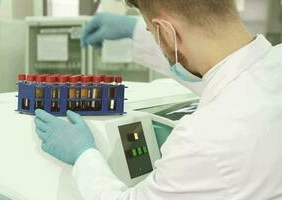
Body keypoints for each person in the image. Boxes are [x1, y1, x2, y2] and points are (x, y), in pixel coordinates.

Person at [34, 0, 282, 199]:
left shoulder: (204, 141)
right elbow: (222, 77)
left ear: (166, 32)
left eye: (152, 33)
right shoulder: (272, 65)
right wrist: (132, 31)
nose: (154, 38)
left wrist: (84, 155)